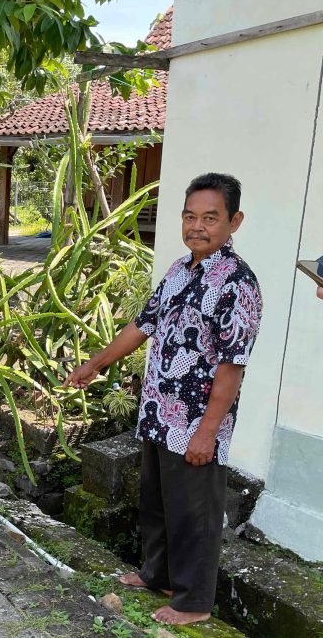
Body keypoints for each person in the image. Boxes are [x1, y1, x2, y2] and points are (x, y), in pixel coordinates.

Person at [64, 173, 262, 626]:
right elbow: (142, 325)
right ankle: (160, 575)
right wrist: (95, 364)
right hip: (159, 411)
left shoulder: (238, 283)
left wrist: (207, 432)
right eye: (190, 217)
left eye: (210, 218)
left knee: (195, 512)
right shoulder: (179, 269)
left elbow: (232, 365)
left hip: (196, 421)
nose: (197, 227)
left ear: (234, 222)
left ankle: (194, 602)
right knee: (157, 502)